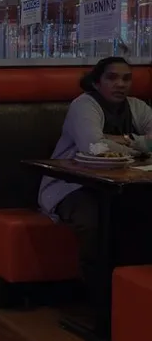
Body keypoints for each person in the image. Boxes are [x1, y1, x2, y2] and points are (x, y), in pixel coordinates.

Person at [39, 56, 152, 313]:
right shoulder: (84, 105)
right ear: (96, 82)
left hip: (123, 185)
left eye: (126, 78)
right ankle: (100, 302)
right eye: (112, 78)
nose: (120, 84)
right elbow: (94, 146)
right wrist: (141, 146)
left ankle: (132, 298)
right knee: (95, 222)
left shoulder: (137, 107)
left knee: (141, 216)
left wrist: (125, 139)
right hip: (72, 186)